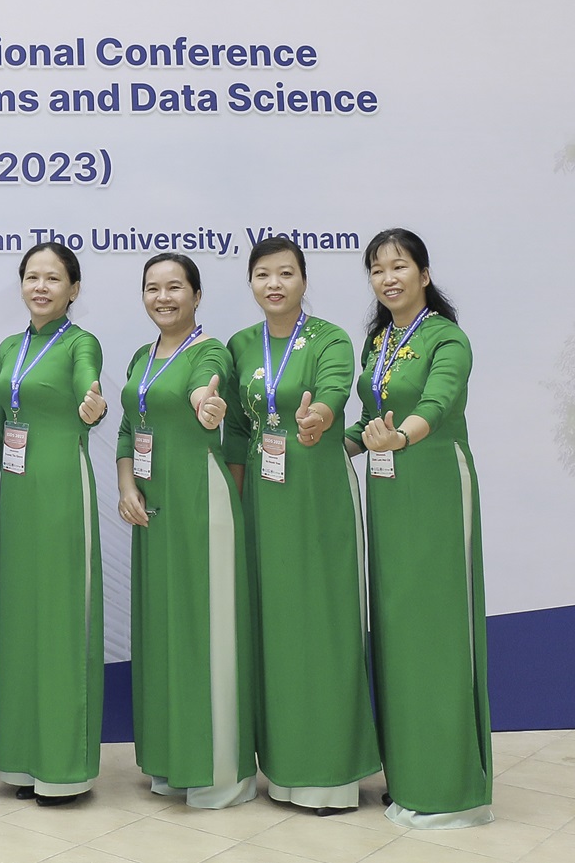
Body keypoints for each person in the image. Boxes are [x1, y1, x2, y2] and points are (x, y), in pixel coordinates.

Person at [223, 237, 379, 815]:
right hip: (262, 502)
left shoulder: (330, 339)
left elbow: (334, 391)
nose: (274, 284)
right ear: (251, 283)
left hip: (316, 492)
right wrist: (236, 497)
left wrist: (319, 415)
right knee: (275, 628)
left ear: (304, 281)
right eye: (263, 274)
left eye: (286, 273)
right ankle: (284, 767)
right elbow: (238, 430)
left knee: (322, 622)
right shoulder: (240, 345)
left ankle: (330, 773)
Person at [344, 228, 493, 829]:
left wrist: (400, 438)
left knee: (436, 631)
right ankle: (409, 778)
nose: (388, 278)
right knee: (398, 632)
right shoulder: (378, 341)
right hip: (387, 494)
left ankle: (451, 793)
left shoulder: (446, 338)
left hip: (433, 487)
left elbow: (436, 402)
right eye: (377, 269)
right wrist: (326, 443)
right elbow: (368, 421)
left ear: (424, 274)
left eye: (399, 266)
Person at [0, 242, 108, 807]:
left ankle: (63, 766)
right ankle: (23, 762)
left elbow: (89, 385)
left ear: (74, 289)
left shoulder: (80, 343)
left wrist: (93, 405)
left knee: (61, 623)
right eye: (32, 277)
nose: (41, 287)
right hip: (19, 500)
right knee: (23, 625)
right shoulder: (10, 347)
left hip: (61, 494)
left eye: (53, 278)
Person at [115, 253, 257, 808]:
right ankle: (172, 760)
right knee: (163, 632)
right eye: (153, 288)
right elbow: (128, 429)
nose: (163, 297)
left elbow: (206, 391)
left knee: (205, 630)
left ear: (197, 296)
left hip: (200, 502)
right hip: (151, 509)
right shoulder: (141, 356)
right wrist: (126, 485)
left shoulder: (210, 352)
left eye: (175, 287)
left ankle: (216, 770)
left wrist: (207, 404)